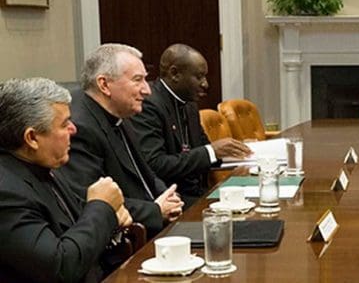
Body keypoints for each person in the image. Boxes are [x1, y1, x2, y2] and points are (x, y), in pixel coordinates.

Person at [0, 78, 131, 283]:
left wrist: (112, 218)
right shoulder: (6, 192)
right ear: (32, 138)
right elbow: (60, 266)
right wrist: (102, 206)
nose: (74, 129)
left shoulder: (44, 165)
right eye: (64, 124)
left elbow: (76, 222)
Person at [58, 44, 184, 238]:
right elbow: (90, 201)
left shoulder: (121, 113)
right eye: (138, 80)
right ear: (104, 85)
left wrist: (167, 195)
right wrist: (155, 210)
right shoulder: (79, 128)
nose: (147, 90)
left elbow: (143, 172)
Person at [131, 44, 252, 206]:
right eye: (199, 77)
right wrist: (212, 151)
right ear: (175, 74)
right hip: (174, 199)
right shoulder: (149, 105)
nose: (205, 84)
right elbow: (155, 164)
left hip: (201, 192)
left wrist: (235, 151)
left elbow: (205, 149)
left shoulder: (189, 104)